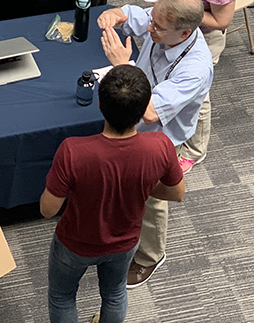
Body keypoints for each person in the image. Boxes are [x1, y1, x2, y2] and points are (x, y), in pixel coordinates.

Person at [41, 64, 185, 323]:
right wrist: (143, 185)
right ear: (142, 112)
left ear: (100, 105)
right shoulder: (160, 146)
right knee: (115, 292)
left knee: (62, 297)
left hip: (74, 243)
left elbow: (47, 209)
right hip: (125, 242)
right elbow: (177, 193)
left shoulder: (73, 150)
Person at [97, 0, 213, 288]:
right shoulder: (164, 22)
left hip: (160, 138)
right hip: (138, 116)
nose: (150, 29)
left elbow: (149, 113)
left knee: (151, 197)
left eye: (158, 28)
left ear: (186, 31)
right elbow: (139, 17)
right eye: (153, 20)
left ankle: (150, 256)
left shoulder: (195, 68)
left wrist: (122, 66)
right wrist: (117, 15)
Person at [138, 0, 239, 173]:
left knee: (197, 96)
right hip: (175, 24)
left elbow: (222, 19)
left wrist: (179, 13)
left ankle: (194, 150)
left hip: (201, 36)